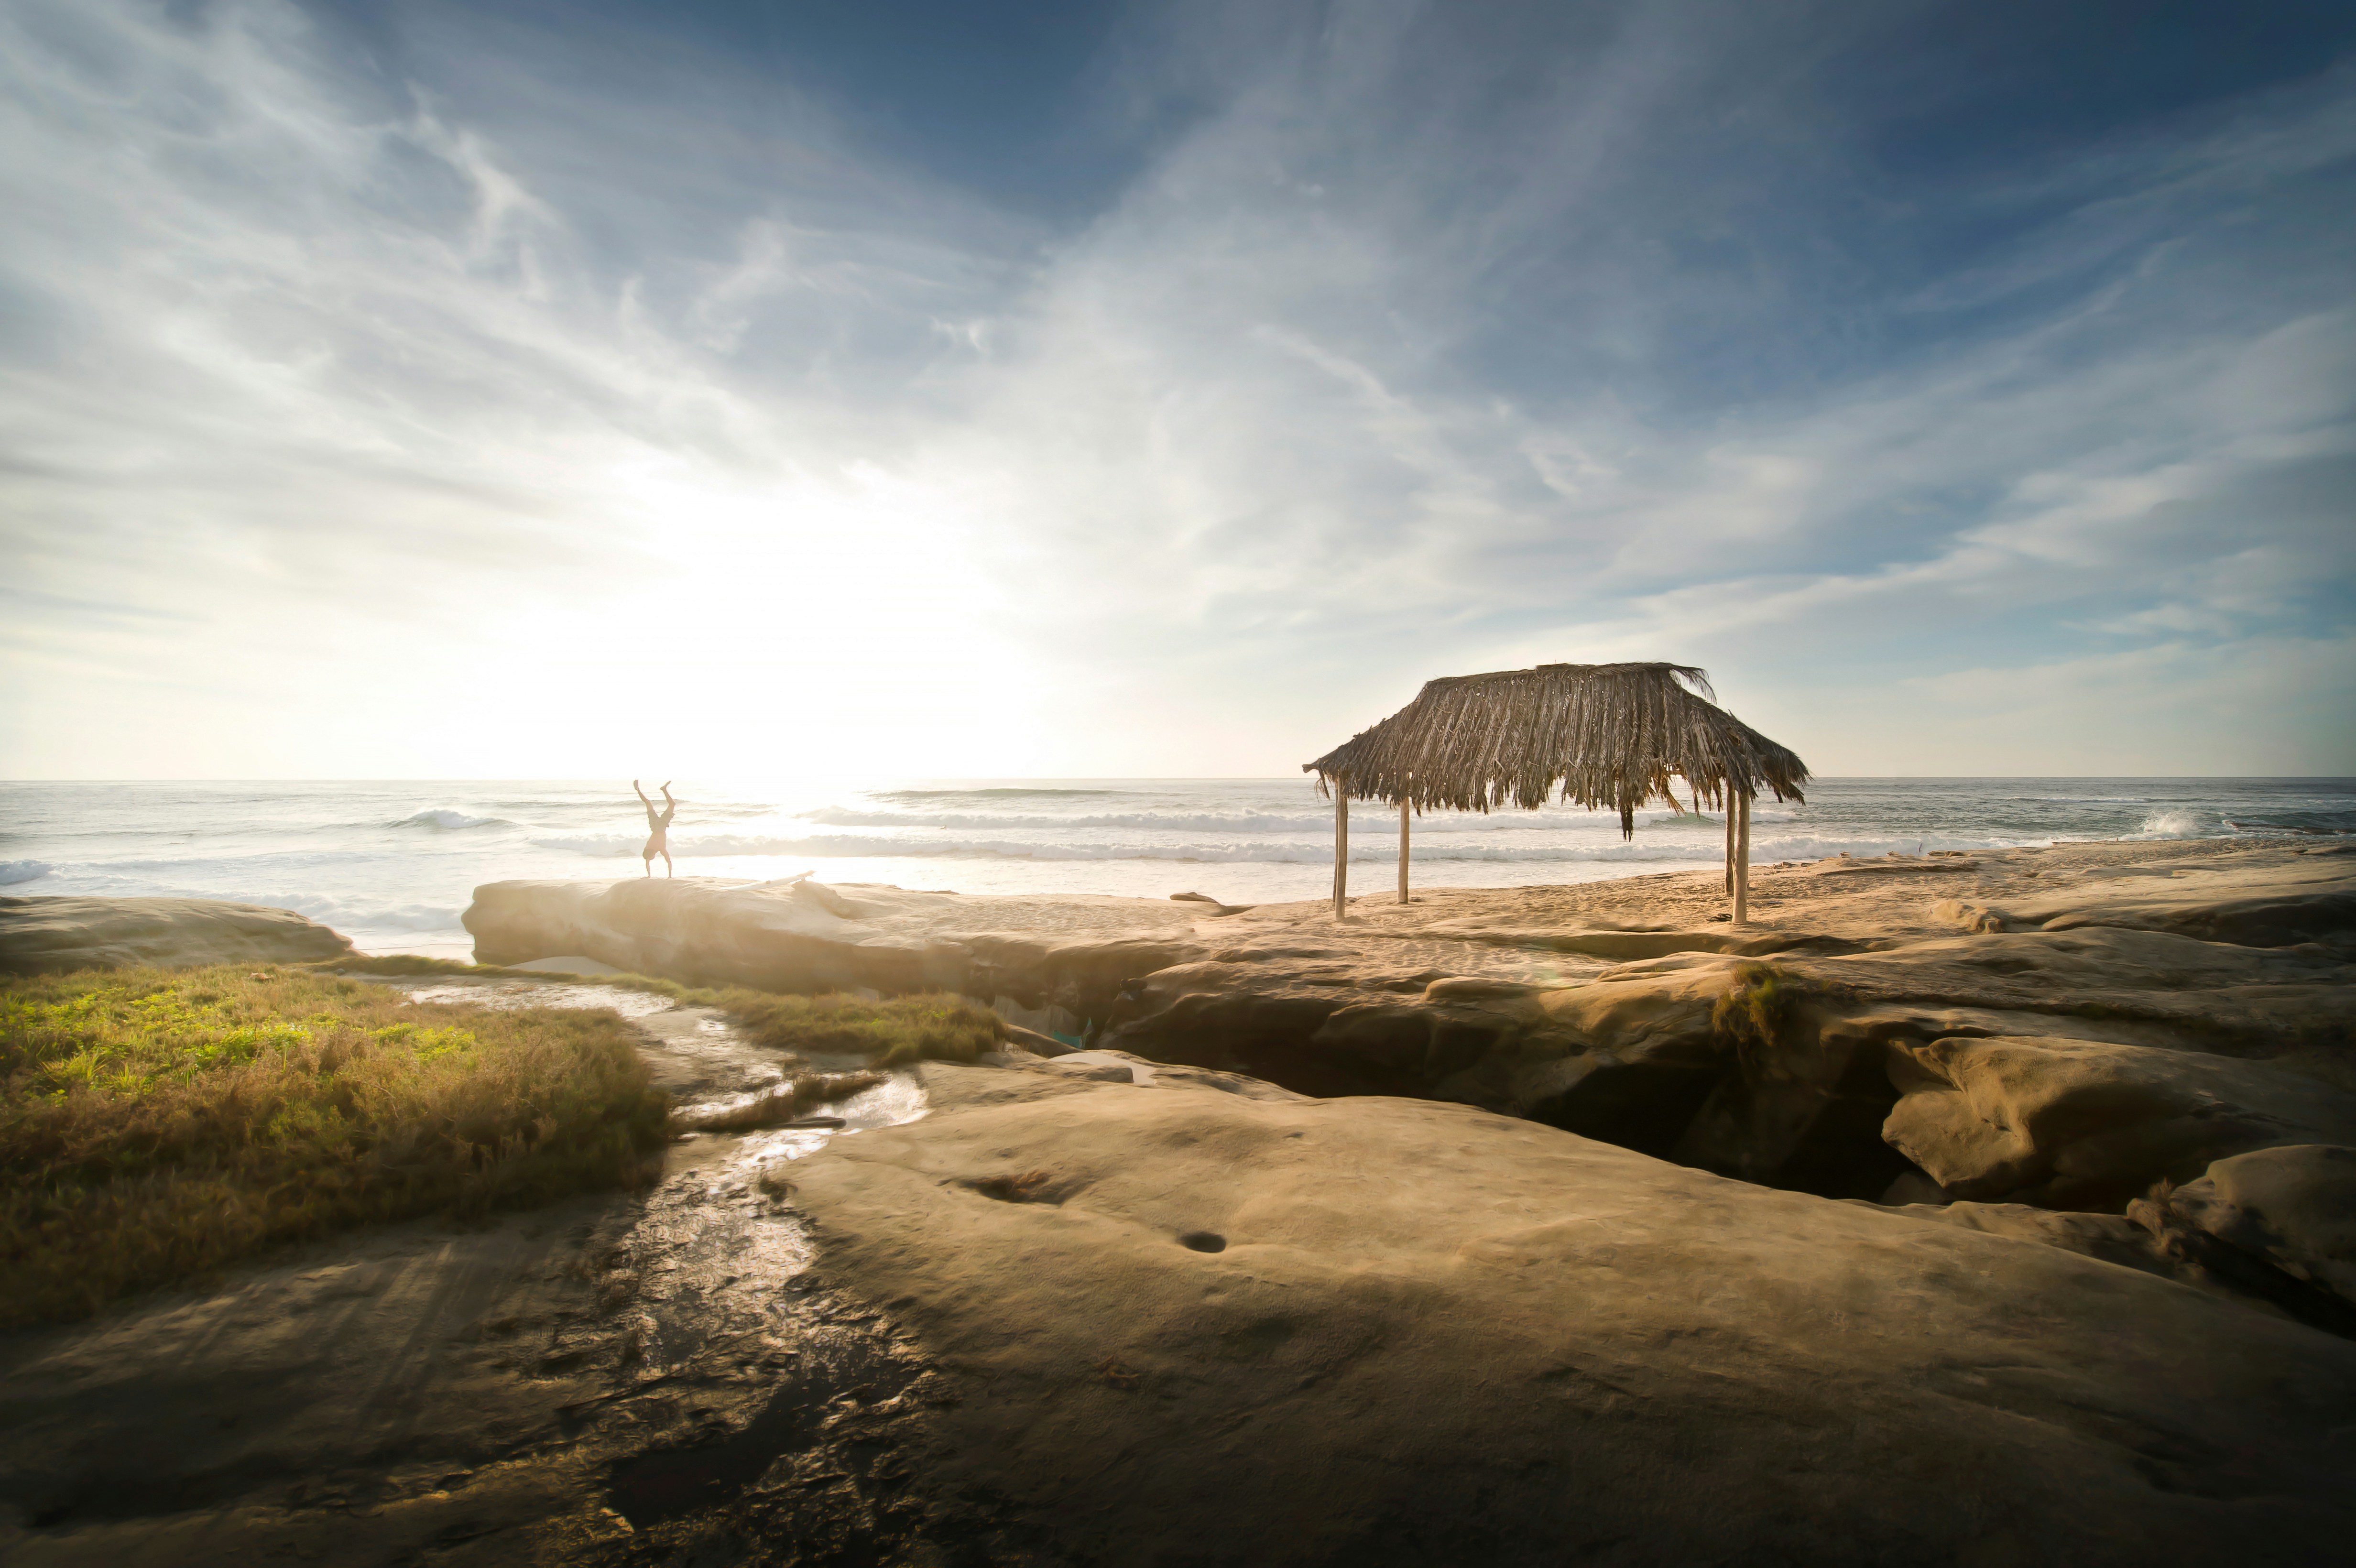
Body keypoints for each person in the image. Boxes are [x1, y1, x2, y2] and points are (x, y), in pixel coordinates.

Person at [633, 780, 676, 877]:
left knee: (672, 805)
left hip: (661, 827)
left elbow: (669, 862)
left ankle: (664, 789)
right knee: (648, 803)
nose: (653, 858)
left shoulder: (661, 849)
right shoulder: (648, 849)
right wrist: (649, 875)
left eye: (652, 857)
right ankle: (638, 790)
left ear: (652, 854)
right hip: (653, 826)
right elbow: (647, 862)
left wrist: (670, 876)